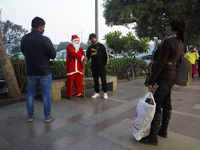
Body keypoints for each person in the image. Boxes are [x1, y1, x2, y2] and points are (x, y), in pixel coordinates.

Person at [139, 19, 187, 145]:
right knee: (166, 102)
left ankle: (153, 136)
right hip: (171, 76)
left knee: (157, 104)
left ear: (171, 28)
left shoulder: (168, 41)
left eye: (167, 26)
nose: (166, 28)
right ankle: (163, 130)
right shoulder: (179, 42)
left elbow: (160, 63)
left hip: (163, 76)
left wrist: (151, 80)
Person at [21, 17, 56, 123]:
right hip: (44, 71)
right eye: (43, 27)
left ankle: (30, 116)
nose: (44, 29)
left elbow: (24, 52)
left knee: (30, 93)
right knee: (45, 93)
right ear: (40, 27)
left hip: (31, 71)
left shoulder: (24, 39)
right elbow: (53, 55)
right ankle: (47, 117)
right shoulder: (45, 39)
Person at [86, 33, 109, 99]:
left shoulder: (101, 46)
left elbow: (106, 55)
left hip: (101, 66)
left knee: (103, 79)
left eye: (94, 38)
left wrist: (105, 64)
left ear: (96, 38)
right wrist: (84, 59)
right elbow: (88, 57)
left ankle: (105, 93)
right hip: (94, 66)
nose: (93, 39)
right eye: (91, 39)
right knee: (95, 80)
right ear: (90, 40)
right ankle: (97, 92)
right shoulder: (89, 48)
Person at [66, 35, 87, 99]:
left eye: (78, 40)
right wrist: (82, 57)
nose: (77, 42)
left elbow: (83, 55)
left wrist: (84, 61)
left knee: (79, 82)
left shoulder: (80, 48)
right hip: (71, 68)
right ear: (72, 41)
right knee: (70, 82)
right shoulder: (69, 47)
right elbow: (73, 54)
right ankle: (69, 94)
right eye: (75, 40)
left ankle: (78, 93)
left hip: (78, 67)